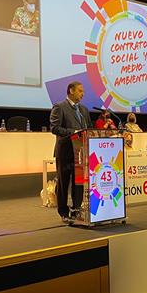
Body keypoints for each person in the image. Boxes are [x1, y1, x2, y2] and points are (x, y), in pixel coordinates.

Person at [49, 81, 92, 223]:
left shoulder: (84, 110)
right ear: (71, 91)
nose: (83, 93)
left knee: (78, 183)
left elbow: (89, 128)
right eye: (80, 91)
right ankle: (63, 212)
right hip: (65, 151)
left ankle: (76, 209)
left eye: (83, 91)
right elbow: (55, 128)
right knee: (63, 182)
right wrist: (73, 132)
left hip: (80, 152)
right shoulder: (60, 107)